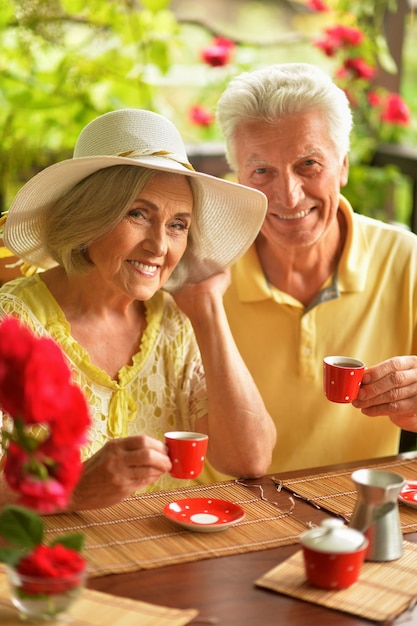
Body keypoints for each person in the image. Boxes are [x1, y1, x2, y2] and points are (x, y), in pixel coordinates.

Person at [0, 108, 276, 511]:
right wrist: (72, 490)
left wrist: (208, 309)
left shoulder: (174, 323)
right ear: (88, 218)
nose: (160, 247)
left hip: (157, 558)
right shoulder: (13, 325)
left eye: (178, 224)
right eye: (138, 214)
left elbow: (248, 459)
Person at [200, 62, 417, 484]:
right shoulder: (202, 268)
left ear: (344, 167)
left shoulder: (406, 259)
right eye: (262, 171)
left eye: (308, 164)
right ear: (238, 177)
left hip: (351, 514)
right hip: (223, 520)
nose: (288, 195)